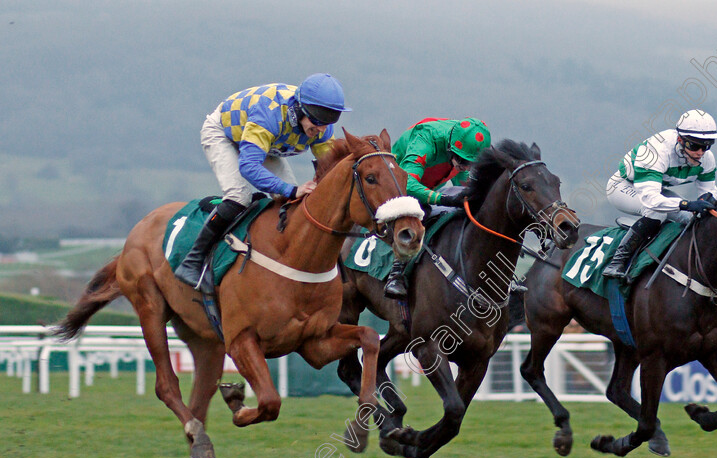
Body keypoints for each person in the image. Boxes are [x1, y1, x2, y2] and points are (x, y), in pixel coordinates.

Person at [174, 73, 351, 292]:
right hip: (225, 134)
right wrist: (292, 189)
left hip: (267, 143)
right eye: (317, 121)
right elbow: (248, 166)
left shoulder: (322, 126)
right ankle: (192, 261)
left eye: (329, 121)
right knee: (240, 197)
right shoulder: (269, 115)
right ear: (300, 111)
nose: (322, 128)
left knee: (295, 204)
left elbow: (329, 169)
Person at [602, 109, 717, 279]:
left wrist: (706, 199)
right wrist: (687, 204)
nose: (700, 152)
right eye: (694, 146)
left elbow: (709, 190)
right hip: (623, 187)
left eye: (706, 145)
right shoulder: (656, 152)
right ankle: (617, 261)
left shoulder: (707, 158)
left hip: (657, 189)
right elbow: (652, 200)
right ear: (680, 140)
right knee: (657, 212)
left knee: (693, 219)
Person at [382, 117, 492, 299]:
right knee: (418, 209)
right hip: (397, 185)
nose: (465, 165)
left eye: (470, 163)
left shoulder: (464, 147)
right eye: (461, 159)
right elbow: (408, 183)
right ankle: (396, 274)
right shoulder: (426, 138)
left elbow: (463, 182)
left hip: (427, 184)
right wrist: (443, 199)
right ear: (451, 146)